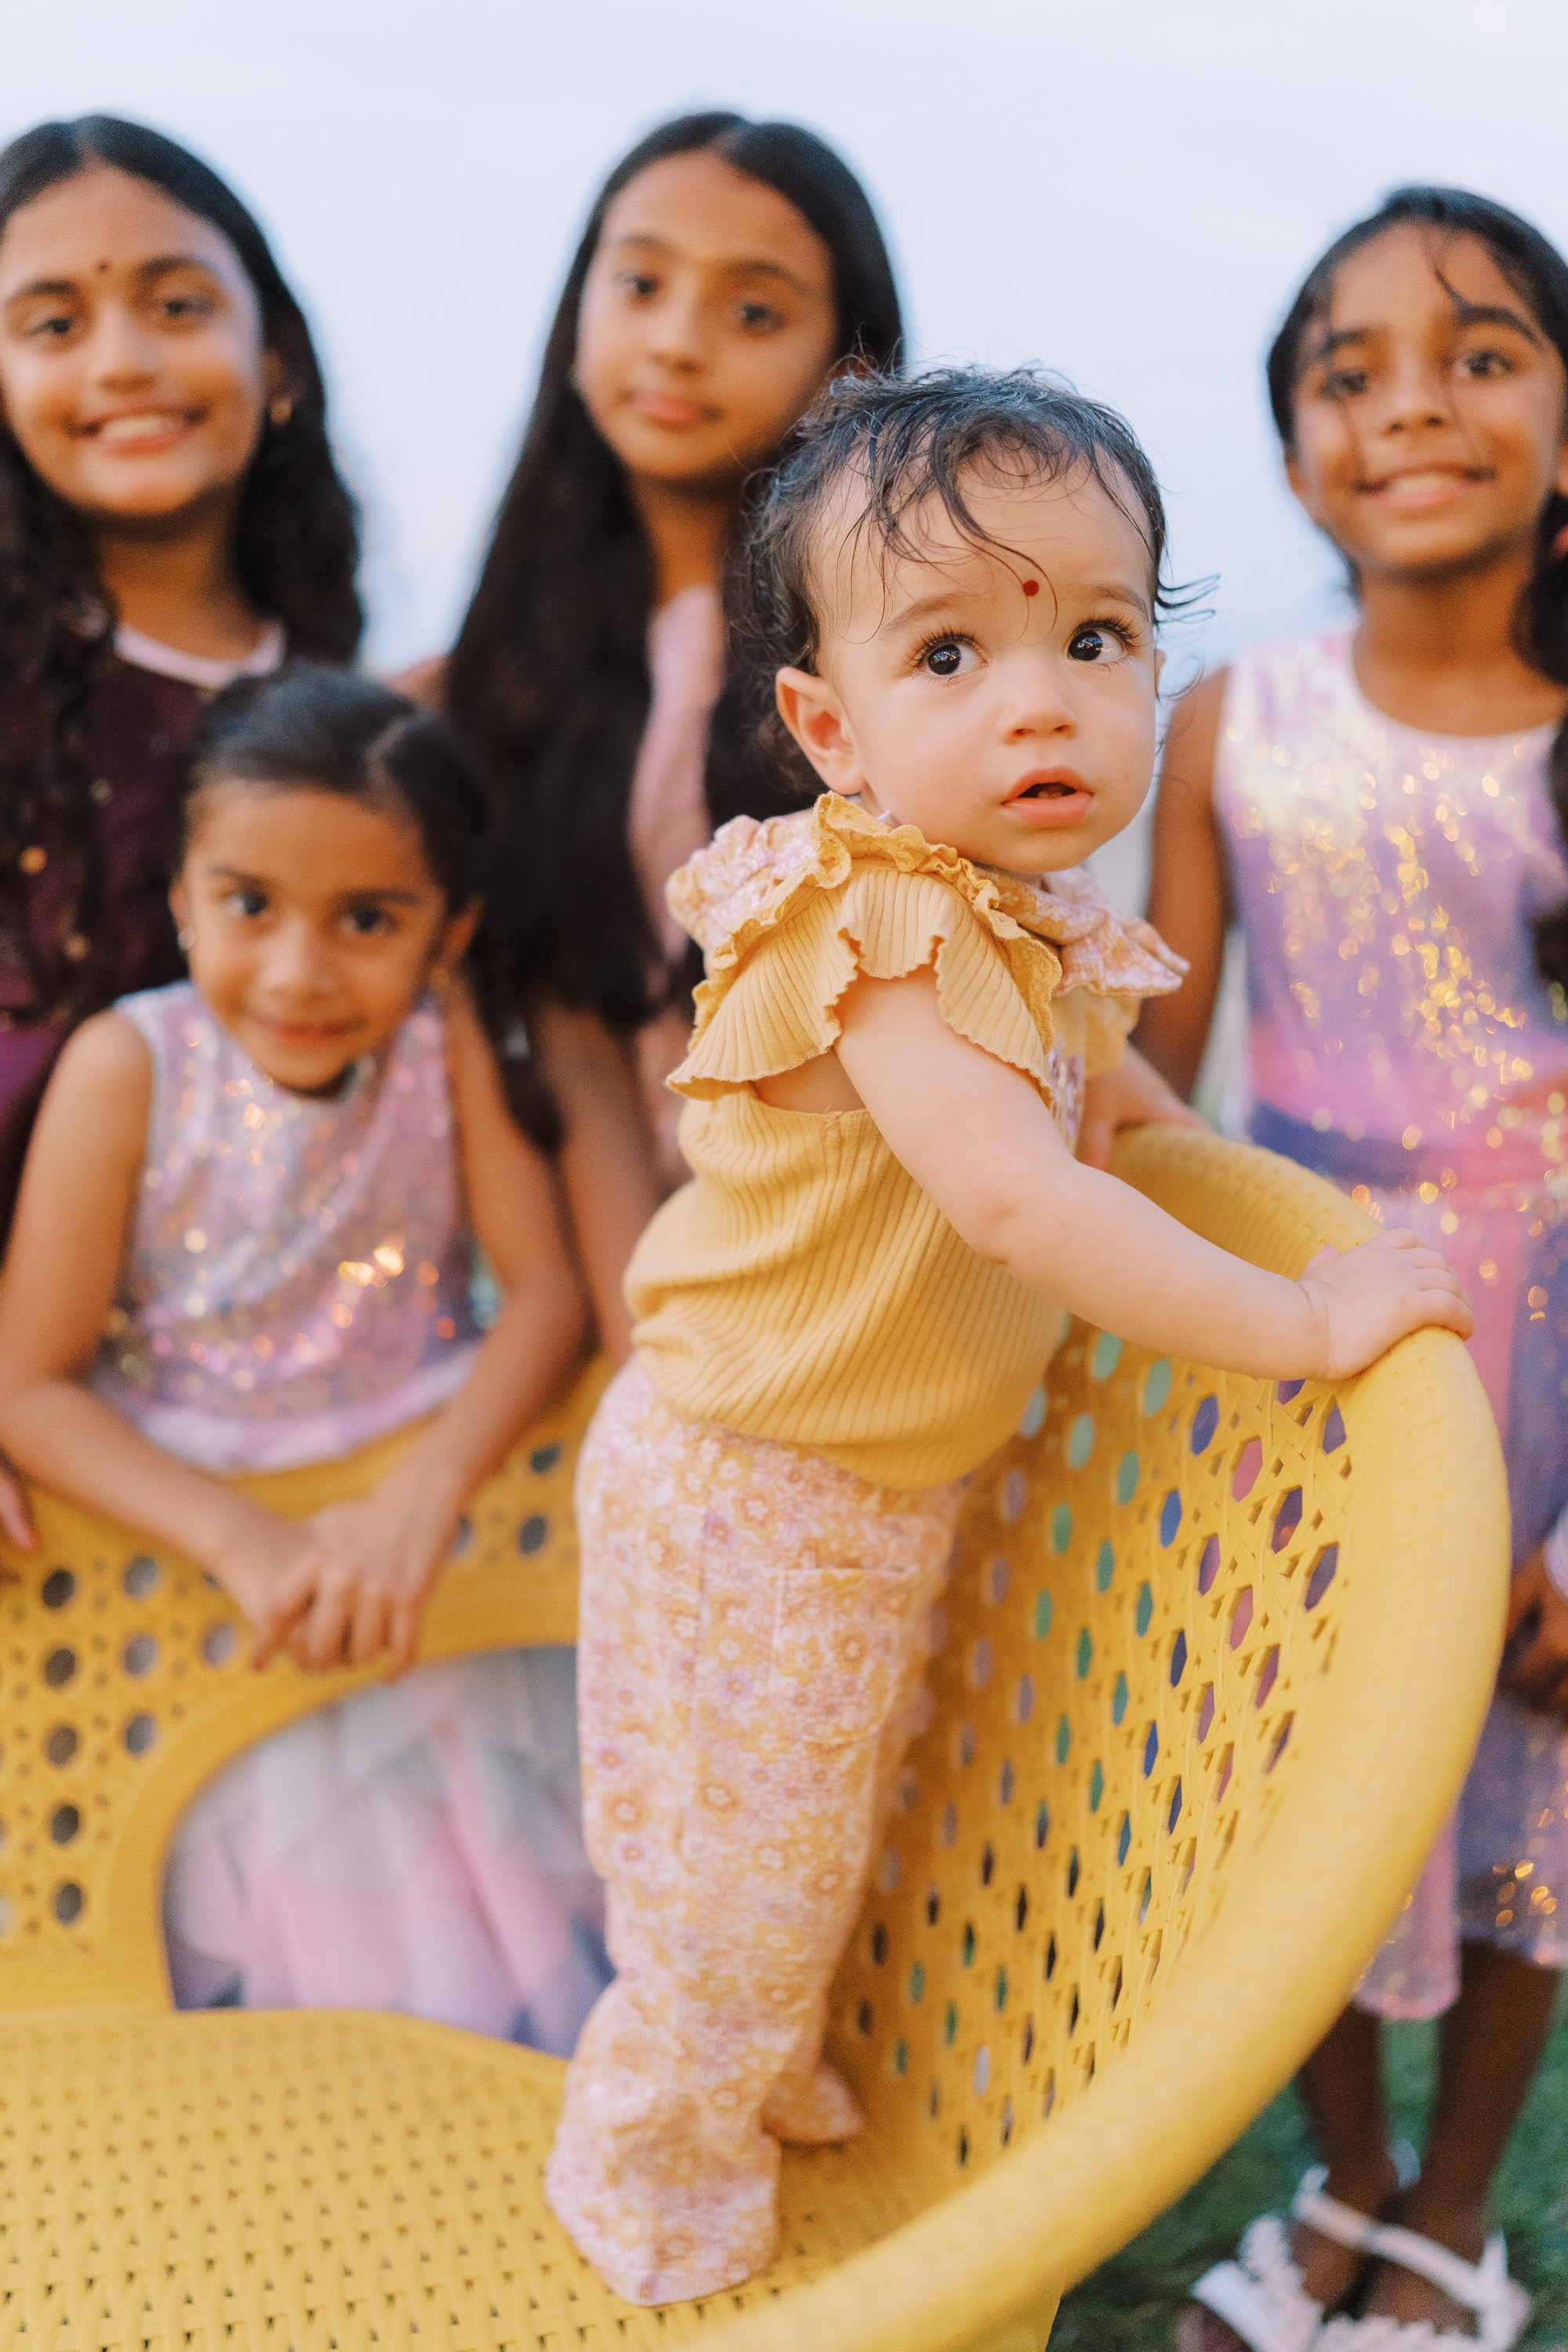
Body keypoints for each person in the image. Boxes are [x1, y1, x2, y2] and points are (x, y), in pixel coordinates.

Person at [541, 365, 1473, 2307]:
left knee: (813, 1822)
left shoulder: (1025, 923)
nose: (1039, 694)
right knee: (734, 1867)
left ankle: (756, 2064)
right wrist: (1304, 1319)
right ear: (831, 728)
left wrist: (1187, 1143)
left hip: (861, 1484)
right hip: (753, 1482)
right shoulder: (882, 928)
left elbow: (1120, 1118)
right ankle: (648, 2174)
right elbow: (1025, 1202)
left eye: (1097, 634)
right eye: (949, 650)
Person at [1137, 188, 1568, 2352]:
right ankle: (1347, 2179)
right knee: (1297, 1775)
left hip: (1560, 1356)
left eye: (1481, 352)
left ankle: (1455, 2226)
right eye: (1348, 368)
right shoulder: (1231, 721)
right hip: (1307, 1348)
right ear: (1295, 447)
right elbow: (1145, 1084)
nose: (1411, 403)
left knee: (1529, 1786)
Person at [0, 666, 608, 2055]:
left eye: (368, 920)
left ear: (448, 932)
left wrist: (417, 1501)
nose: (297, 970)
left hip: (411, 1526)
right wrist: (240, 1540)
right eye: (250, 905)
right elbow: (25, 1382)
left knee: (483, 1922)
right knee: (264, 1916)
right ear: (182, 894)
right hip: (193, 1547)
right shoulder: (128, 1065)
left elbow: (548, 1297)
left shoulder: (442, 1049)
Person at [416, 111, 903, 1358]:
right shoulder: (498, 684)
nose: (677, 342)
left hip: (871, 1269)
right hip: (637, 1276)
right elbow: (573, 1040)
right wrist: (652, 1344)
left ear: (846, 370)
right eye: (639, 283)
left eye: (753, 311)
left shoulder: (891, 657)